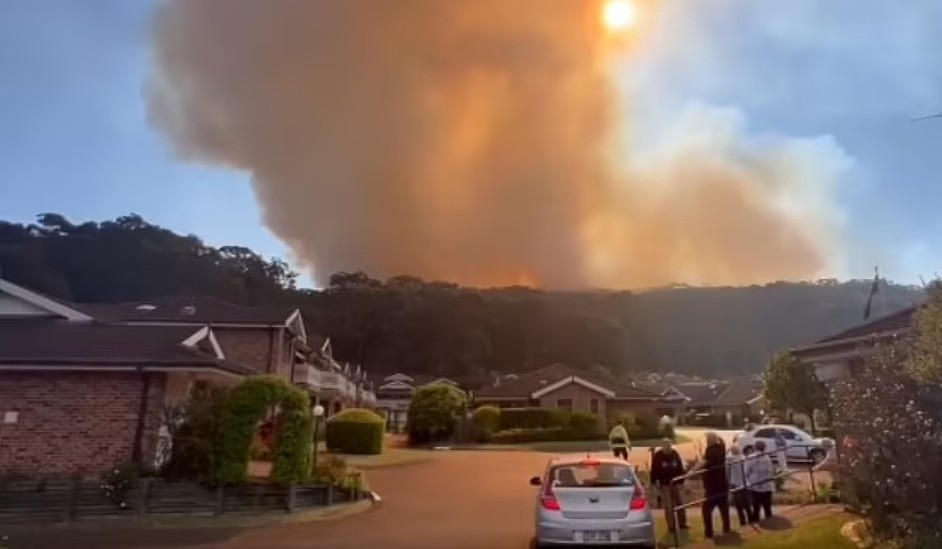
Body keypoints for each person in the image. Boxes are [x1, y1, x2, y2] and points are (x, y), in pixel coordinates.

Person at [690, 432, 730, 539]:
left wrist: (691, 472)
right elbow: (722, 441)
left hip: (713, 486)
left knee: (706, 510)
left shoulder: (711, 450)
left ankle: (709, 532)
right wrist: (718, 437)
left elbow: (703, 462)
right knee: (724, 508)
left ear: (711, 440)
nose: (706, 441)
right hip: (723, 484)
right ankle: (727, 528)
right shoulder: (721, 448)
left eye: (707, 439)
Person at [650, 438, 688, 533]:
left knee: (680, 504)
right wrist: (654, 484)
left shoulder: (675, 454)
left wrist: (682, 481)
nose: (668, 448)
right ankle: (671, 527)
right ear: (663, 446)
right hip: (665, 485)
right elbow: (654, 471)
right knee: (669, 506)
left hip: (676, 484)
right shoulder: (658, 456)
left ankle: (682, 524)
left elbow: (680, 468)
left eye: (670, 445)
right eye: (666, 446)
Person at [746, 440, 775, 521]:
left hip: (756, 485)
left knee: (756, 506)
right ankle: (769, 519)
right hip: (767, 485)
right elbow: (770, 471)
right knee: (767, 506)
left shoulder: (751, 457)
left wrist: (749, 479)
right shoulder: (767, 458)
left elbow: (747, 471)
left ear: (755, 447)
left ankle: (756, 519)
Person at [726, 445, 752, 526]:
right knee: (747, 504)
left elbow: (724, 458)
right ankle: (751, 519)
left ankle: (742, 521)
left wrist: (728, 449)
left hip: (736, 484)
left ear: (732, 452)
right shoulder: (744, 457)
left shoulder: (731, 459)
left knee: (739, 506)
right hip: (745, 484)